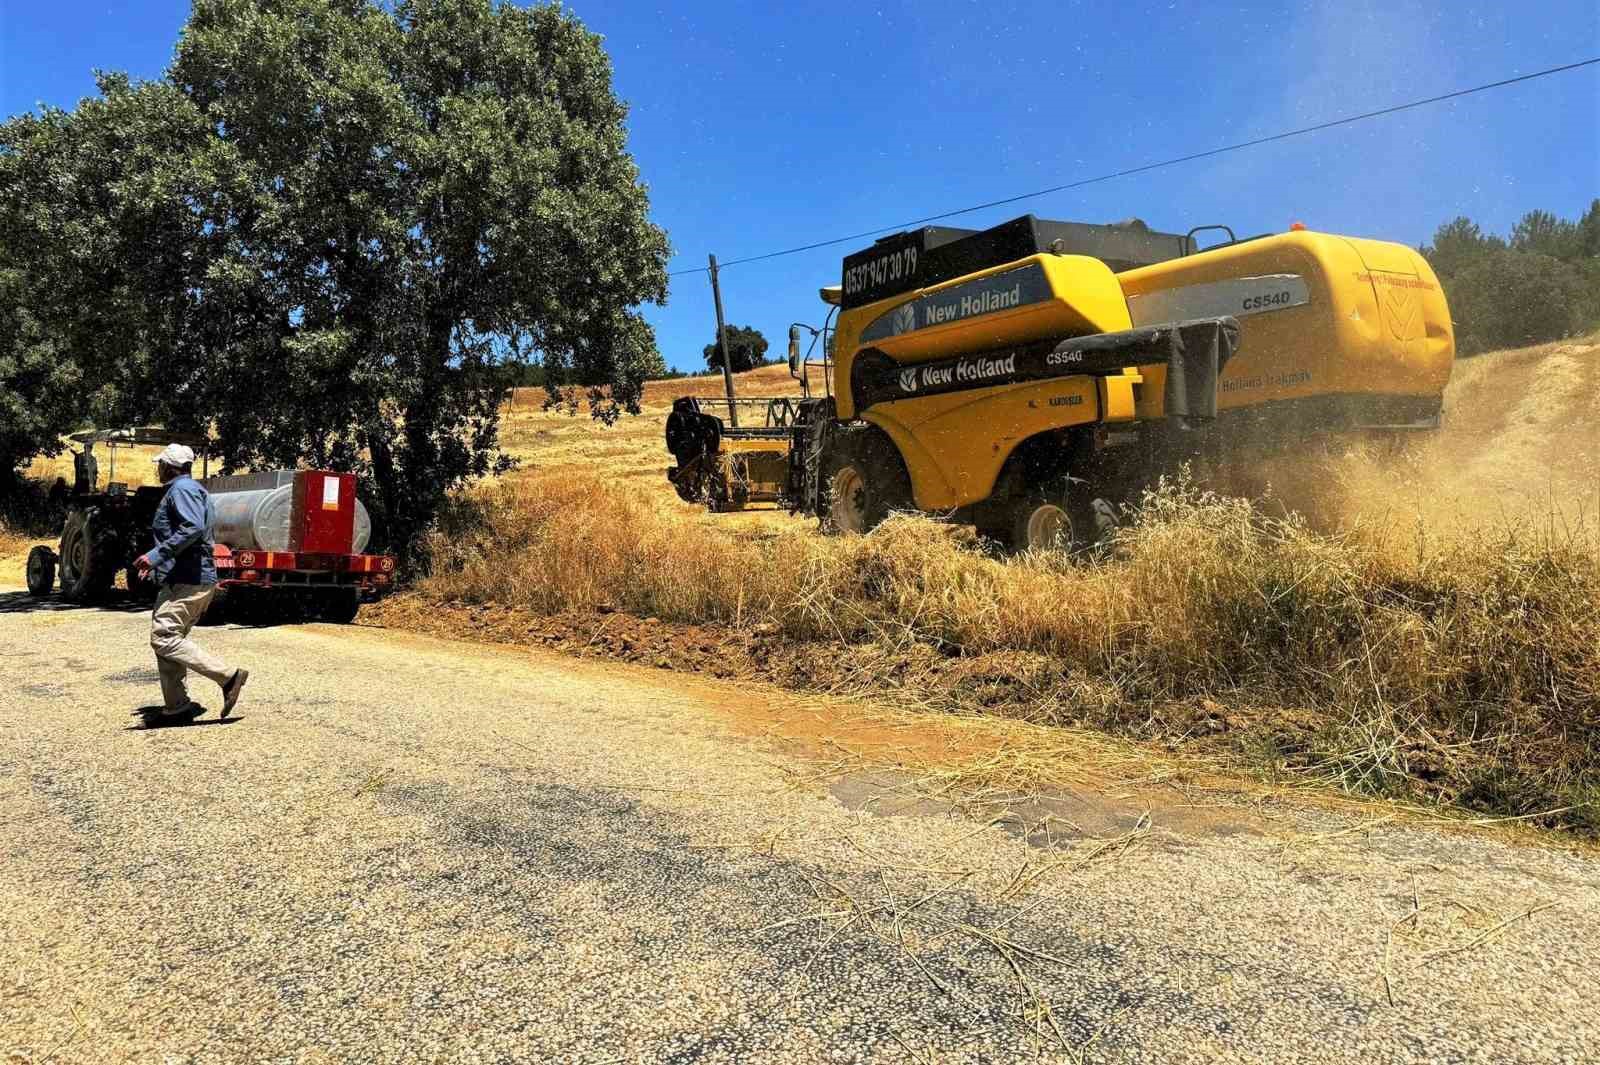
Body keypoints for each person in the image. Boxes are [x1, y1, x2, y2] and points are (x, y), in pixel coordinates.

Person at [134, 444, 249, 723]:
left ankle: (228, 676)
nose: (157, 468)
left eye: (160, 464)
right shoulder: (191, 489)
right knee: (168, 639)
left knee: (164, 637)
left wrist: (155, 556)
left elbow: (192, 528)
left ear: (169, 467)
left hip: (189, 579)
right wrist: (158, 564)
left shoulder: (182, 490)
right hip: (183, 576)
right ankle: (177, 707)